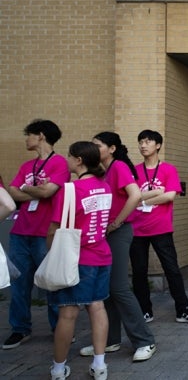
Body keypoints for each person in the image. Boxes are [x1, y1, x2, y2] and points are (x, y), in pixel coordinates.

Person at [76, 132, 157, 362]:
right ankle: (110, 340)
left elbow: (135, 195)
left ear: (111, 148)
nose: (93, 148)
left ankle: (145, 340)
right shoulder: (100, 170)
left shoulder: (119, 166)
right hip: (102, 234)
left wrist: (117, 222)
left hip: (118, 232)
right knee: (106, 288)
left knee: (119, 286)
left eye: (97, 145)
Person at [47, 141, 113, 380]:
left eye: (69, 156)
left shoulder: (70, 190)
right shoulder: (104, 187)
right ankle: (99, 365)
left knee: (67, 313)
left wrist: (50, 253)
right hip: (102, 255)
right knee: (97, 306)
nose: (66, 160)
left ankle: (57, 369)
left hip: (76, 258)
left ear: (79, 160)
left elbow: (54, 229)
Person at [4, 119, 69, 350]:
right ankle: (20, 329)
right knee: (20, 283)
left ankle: (59, 328)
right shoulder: (26, 166)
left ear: (40, 136)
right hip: (20, 232)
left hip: (45, 233)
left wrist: (25, 189)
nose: (26, 139)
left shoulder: (59, 163)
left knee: (51, 282)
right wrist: (35, 192)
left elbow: (49, 191)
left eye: (28, 135)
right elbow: (11, 194)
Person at [128, 129, 188, 325]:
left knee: (172, 269)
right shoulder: (134, 170)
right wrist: (156, 192)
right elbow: (131, 198)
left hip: (161, 228)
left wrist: (143, 198)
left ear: (158, 145)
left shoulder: (168, 169)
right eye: (140, 142)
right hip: (137, 228)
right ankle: (145, 310)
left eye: (147, 142)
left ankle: (183, 309)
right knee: (139, 271)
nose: (143, 145)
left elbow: (170, 196)